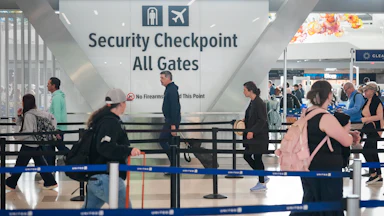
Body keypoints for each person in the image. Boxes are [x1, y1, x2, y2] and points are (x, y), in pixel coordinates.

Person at [290, 80, 359, 216]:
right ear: (329, 95)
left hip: (307, 164)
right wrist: (349, 134)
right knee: (330, 204)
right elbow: (346, 141)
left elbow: (319, 135)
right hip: (327, 168)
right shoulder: (325, 117)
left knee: (311, 201)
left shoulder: (306, 114)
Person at [83, 88, 141, 209]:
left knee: (86, 212)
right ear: (121, 104)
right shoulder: (110, 122)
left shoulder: (102, 120)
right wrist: (128, 150)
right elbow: (105, 147)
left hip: (96, 177)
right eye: (125, 103)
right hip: (107, 178)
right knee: (126, 211)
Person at [6, 94, 58, 191]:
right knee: (39, 163)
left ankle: (11, 183)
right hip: (36, 143)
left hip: (30, 143)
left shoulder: (29, 115)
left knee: (20, 163)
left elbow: (28, 130)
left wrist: (17, 137)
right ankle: (50, 181)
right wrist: (19, 116)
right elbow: (52, 118)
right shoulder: (37, 112)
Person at [242, 81, 269, 192]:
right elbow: (252, 116)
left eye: (245, 90)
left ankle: (262, 182)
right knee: (247, 156)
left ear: (250, 90)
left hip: (259, 137)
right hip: (252, 136)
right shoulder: (252, 102)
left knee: (257, 158)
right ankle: (262, 176)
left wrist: (253, 131)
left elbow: (262, 119)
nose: (243, 92)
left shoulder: (259, 102)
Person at [361, 82, 383, 184]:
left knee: (366, 150)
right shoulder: (367, 101)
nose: (365, 92)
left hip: (375, 129)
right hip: (369, 130)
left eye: (367, 90)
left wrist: (366, 119)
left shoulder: (376, 101)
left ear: (373, 91)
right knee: (373, 152)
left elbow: (379, 116)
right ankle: (378, 175)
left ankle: (373, 173)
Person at [338, 82, 365, 164]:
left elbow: (357, 108)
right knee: (354, 143)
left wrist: (344, 112)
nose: (345, 92)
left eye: (346, 90)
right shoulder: (352, 97)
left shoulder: (358, 96)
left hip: (358, 122)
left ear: (350, 88)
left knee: (356, 143)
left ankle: (357, 163)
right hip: (352, 122)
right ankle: (356, 162)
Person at [159, 71, 181, 167]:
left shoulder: (171, 90)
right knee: (169, 142)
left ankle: (175, 162)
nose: (161, 80)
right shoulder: (169, 89)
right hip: (169, 120)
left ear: (168, 78)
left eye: (162, 78)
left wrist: (173, 125)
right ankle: (174, 163)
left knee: (162, 140)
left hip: (171, 121)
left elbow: (174, 108)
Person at [46, 77, 69, 166]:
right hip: (56, 128)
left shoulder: (57, 98)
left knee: (59, 148)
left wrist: (56, 130)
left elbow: (57, 115)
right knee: (52, 149)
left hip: (56, 129)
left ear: (53, 86)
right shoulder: (57, 97)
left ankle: (75, 157)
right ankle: (50, 171)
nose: (47, 86)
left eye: (48, 84)